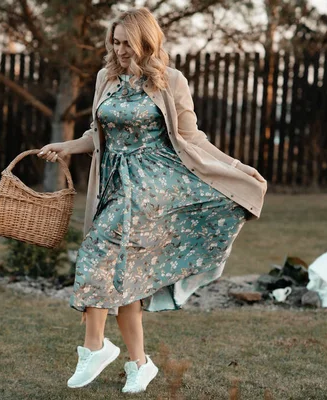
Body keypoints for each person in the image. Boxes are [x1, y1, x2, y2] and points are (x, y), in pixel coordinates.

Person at [37, 7, 267, 394]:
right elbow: (98, 133)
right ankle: (139, 364)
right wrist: (67, 146)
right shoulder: (105, 78)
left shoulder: (170, 80)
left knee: (96, 248)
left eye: (128, 42)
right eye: (115, 41)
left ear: (147, 42)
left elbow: (192, 137)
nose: (120, 49)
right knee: (127, 274)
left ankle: (94, 347)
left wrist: (233, 167)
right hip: (115, 183)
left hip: (155, 184)